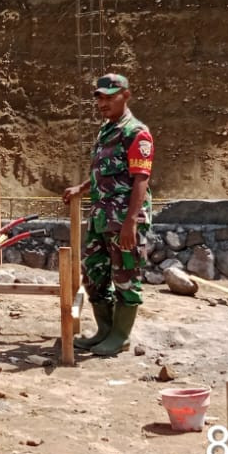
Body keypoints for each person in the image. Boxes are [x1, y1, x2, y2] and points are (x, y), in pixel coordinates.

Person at [61, 73, 154, 357]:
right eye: (99, 97)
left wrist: (130, 224)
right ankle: (104, 330)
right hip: (101, 218)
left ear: (126, 95)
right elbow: (103, 173)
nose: (103, 103)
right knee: (95, 274)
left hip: (123, 220)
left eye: (109, 97)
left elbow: (141, 180)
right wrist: (82, 187)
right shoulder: (106, 131)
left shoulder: (136, 133)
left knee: (125, 275)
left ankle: (120, 336)